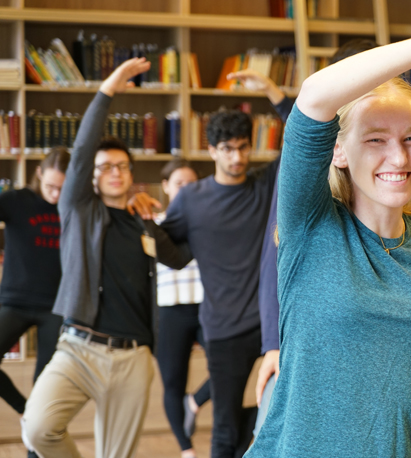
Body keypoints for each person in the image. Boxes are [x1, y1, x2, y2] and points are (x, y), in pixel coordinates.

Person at [244, 32, 411, 458]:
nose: (398, 157)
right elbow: (313, 96)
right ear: (338, 150)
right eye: (375, 139)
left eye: (410, 138)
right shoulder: (311, 224)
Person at [21, 58, 191, 458]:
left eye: (122, 166)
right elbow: (80, 154)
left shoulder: (143, 220)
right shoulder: (79, 208)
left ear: (132, 173)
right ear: (92, 177)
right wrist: (108, 89)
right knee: (38, 429)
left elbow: (179, 259)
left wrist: (163, 215)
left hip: (132, 358)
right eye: (105, 167)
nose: (115, 172)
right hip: (78, 348)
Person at [226, 38, 379, 433]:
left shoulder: (388, 170)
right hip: (301, 341)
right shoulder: (308, 170)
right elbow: (273, 256)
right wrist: (273, 342)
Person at [131, 109, 280, 458]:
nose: (237, 157)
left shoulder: (264, 184)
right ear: (211, 150)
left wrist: (274, 93)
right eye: (228, 148)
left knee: (284, 412)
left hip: (274, 324)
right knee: (224, 430)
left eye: (244, 148)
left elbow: (310, 129)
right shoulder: (192, 199)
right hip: (225, 328)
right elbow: (174, 255)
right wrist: (145, 221)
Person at [0, 148, 69, 457]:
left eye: (62, 188)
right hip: (14, 301)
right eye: (51, 186)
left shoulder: (74, 206)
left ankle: (35, 449)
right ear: (39, 173)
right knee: (35, 408)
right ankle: (27, 412)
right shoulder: (16, 201)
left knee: (46, 385)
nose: (55, 195)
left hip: (56, 306)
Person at [154, 158, 211, 458]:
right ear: (165, 187)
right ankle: (186, 450)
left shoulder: (210, 224)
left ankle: (195, 402)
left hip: (206, 309)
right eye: (179, 184)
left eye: (192, 184)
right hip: (169, 312)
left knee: (226, 366)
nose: (186, 190)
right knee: (172, 382)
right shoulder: (154, 224)